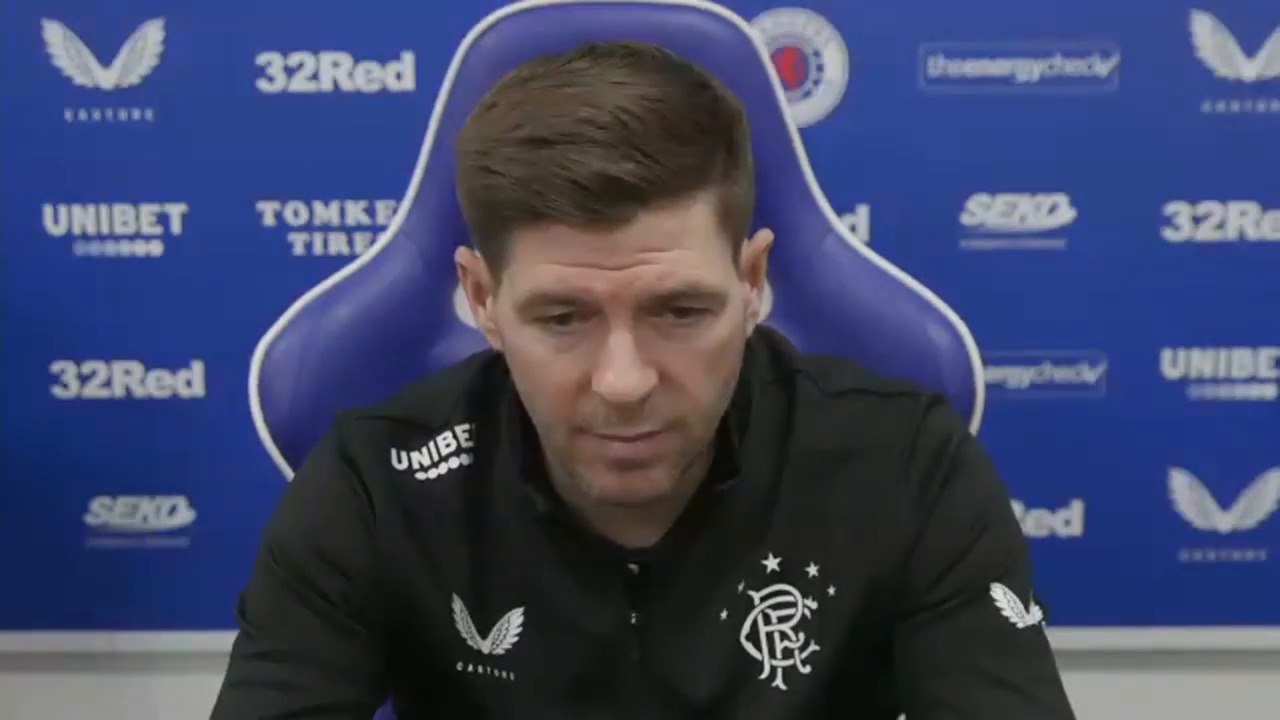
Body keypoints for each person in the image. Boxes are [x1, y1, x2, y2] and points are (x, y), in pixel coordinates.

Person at [210, 40, 1077, 719]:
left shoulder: (908, 467)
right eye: (563, 318)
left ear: (752, 282)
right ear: (481, 299)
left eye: (680, 311)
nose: (623, 382)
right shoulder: (374, 486)